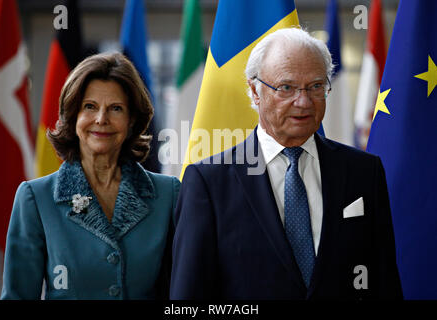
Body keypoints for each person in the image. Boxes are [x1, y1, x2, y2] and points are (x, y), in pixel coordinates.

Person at [170, 28, 403, 300]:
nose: (303, 102)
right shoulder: (209, 182)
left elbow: (384, 283)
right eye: (286, 87)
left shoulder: (364, 172)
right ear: (255, 91)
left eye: (316, 86)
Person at [1, 52, 180, 299]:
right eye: (90, 107)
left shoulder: (168, 195)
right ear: (73, 116)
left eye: (116, 108)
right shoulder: (35, 198)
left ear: (131, 121)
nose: (101, 119)